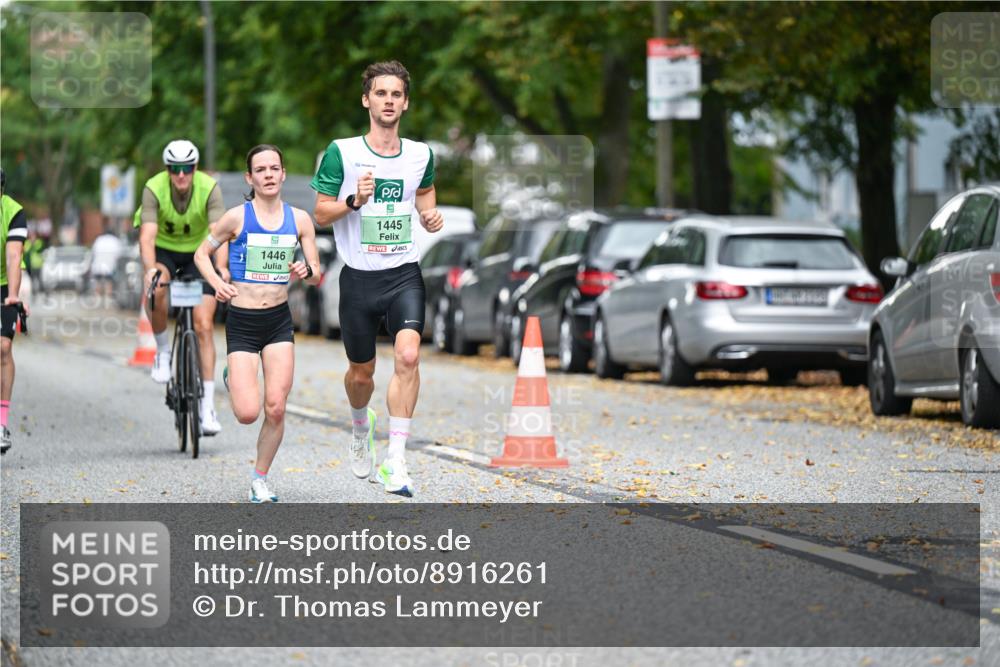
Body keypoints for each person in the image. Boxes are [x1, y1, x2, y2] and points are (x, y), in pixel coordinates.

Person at [312, 61, 444, 497]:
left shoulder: (421, 154)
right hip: (359, 279)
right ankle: (359, 424)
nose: (389, 101)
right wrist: (354, 199)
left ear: (406, 103)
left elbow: (424, 194)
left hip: (404, 273)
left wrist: (428, 215)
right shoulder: (342, 152)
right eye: (381, 93)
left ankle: (396, 460)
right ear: (366, 100)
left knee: (408, 357)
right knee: (361, 373)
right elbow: (320, 211)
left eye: (396, 94)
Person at [194, 144, 321, 502]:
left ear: (282, 174)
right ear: (250, 177)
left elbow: (315, 273)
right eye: (261, 169)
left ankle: (260, 478)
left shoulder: (299, 220)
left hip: (279, 321)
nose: (268, 174)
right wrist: (218, 282)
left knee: (276, 407)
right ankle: (234, 377)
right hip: (243, 322)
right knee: (248, 413)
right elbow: (201, 253)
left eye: (274, 168)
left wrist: (306, 269)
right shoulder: (236, 217)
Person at [134, 139, 228, 436]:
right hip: (164, 252)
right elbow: (147, 237)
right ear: (167, 170)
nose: (181, 175)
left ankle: (207, 408)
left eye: (187, 168)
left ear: (195, 167)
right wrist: (150, 271)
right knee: (156, 287)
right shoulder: (154, 188)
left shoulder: (209, 187)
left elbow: (219, 234)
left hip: (199, 254)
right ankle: (163, 352)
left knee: (203, 326)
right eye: (175, 169)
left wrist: (221, 269)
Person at [1, 168, 28, 454]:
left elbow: (13, 254)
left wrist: (12, 295)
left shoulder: (13, 212)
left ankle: (1, 422)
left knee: (4, 348)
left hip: (2, 283)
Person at [89, 221, 123, 298]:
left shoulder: (99, 239)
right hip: (109, 266)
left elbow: (93, 252)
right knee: (109, 282)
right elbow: (119, 254)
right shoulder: (115, 240)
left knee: (97, 282)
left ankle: (97, 298)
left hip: (97, 265)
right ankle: (108, 298)